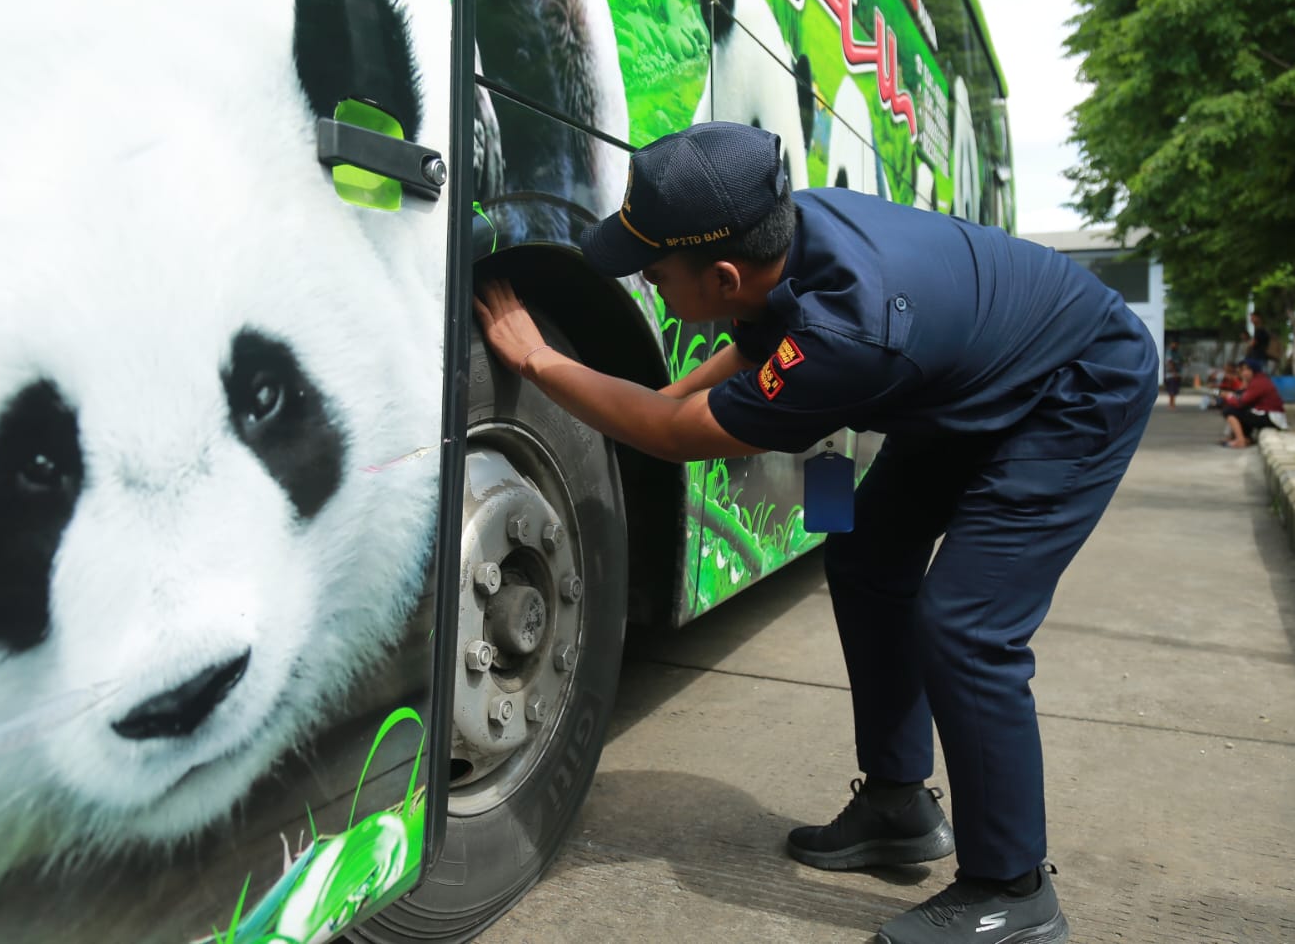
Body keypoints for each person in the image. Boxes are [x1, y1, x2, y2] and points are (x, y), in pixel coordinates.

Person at [474, 122, 1156, 944]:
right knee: (866, 559)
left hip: (1074, 389)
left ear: (722, 273)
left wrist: (541, 361)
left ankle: (1011, 892)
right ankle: (897, 806)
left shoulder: (847, 336)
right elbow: (743, 356)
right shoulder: (793, 236)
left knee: (967, 625)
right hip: (978, 377)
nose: (647, 287)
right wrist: (648, 404)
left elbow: (676, 432)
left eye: (652, 274)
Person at [1217, 357, 1285, 447]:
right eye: (1243, 370)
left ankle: (1240, 440)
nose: (1245, 373)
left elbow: (1241, 402)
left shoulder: (1259, 382)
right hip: (1267, 414)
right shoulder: (1256, 380)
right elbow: (1242, 396)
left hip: (1271, 417)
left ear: (1255, 370)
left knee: (1229, 411)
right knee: (1243, 412)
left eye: (1248, 369)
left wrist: (1228, 397)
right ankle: (1245, 438)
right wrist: (1244, 383)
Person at [1164, 339, 1184, 409]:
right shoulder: (1169, 352)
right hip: (1171, 374)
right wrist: (1174, 373)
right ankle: (1171, 404)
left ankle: (1172, 403)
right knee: (1171, 389)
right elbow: (1170, 363)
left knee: (1175, 389)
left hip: (1177, 373)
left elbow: (1181, 361)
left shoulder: (1177, 353)